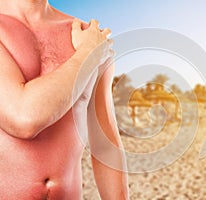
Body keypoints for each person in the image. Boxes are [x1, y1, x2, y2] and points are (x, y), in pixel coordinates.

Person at [0, 0, 129, 199]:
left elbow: (104, 145)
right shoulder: (92, 46)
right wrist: (87, 55)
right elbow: (23, 117)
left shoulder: (90, 36)